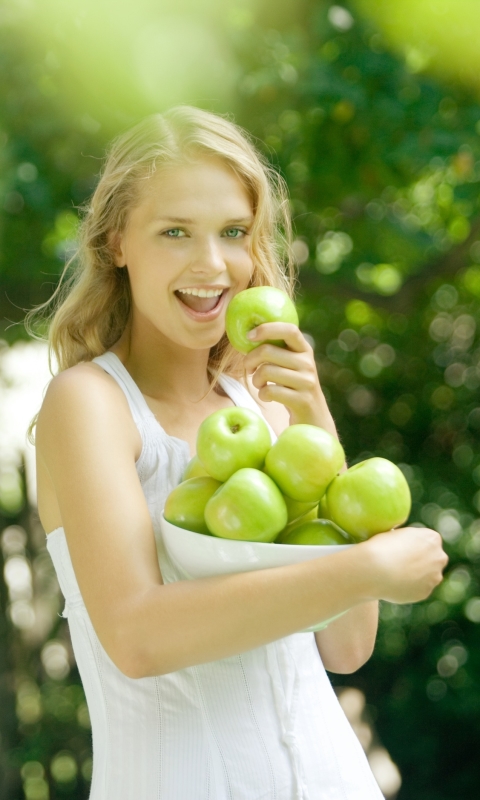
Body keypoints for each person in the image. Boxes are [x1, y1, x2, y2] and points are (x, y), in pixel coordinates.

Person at [31, 106, 448, 800]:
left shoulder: (268, 408)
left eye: (234, 232)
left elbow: (345, 647)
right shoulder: (89, 404)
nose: (213, 264)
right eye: (175, 232)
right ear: (115, 244)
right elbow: (137, 637)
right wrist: (365, 564)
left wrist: (314, 416)